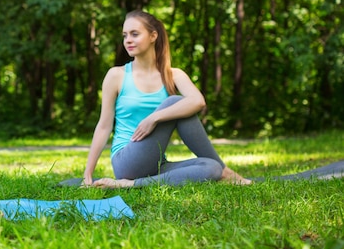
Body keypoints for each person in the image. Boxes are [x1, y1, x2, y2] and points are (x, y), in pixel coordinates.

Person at [83, 10, 251, 188]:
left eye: (135, 34)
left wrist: (154, 118)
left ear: (153, 36)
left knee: (211, 167)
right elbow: (104, 126)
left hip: (156, 164)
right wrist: (88, 173)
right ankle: (228, 173)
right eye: (125, 35)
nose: (128, 40)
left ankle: (131, 184)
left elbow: (198, 101)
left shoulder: (173, 75)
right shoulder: (116, 75)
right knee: (174, 102)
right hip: (126, 160)